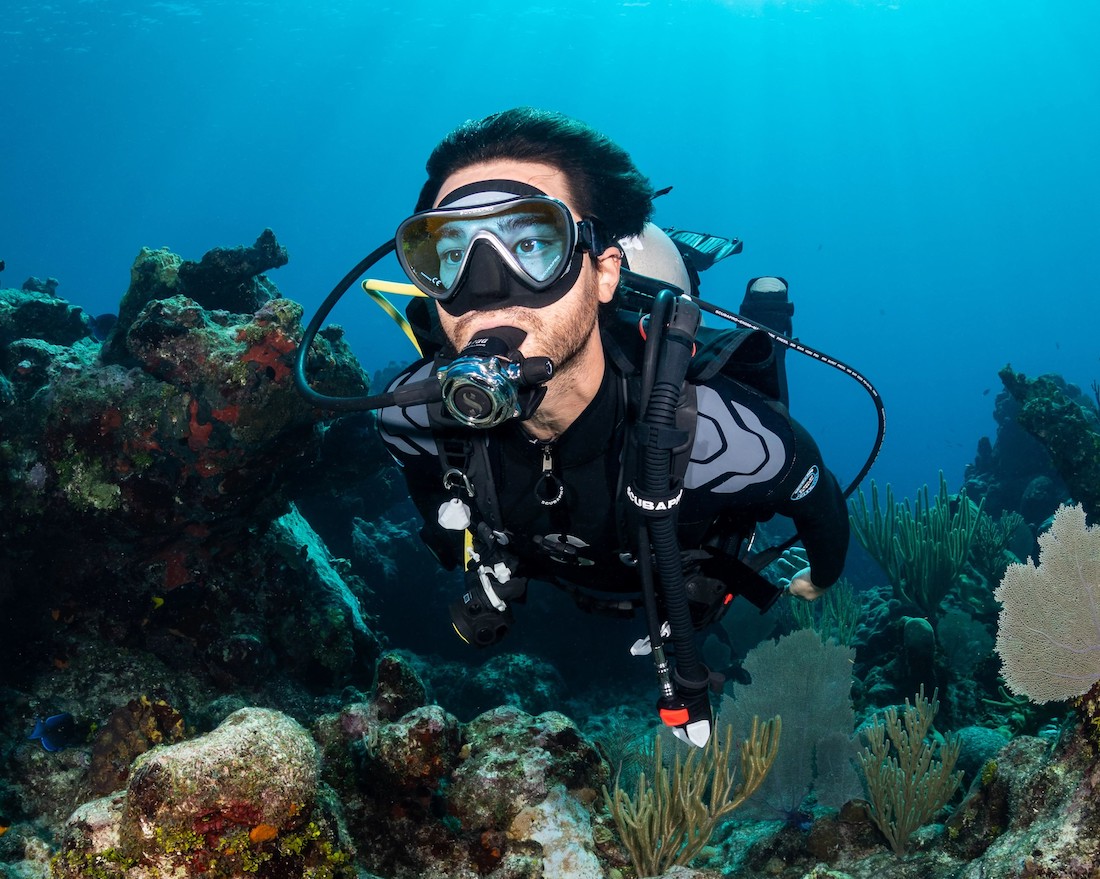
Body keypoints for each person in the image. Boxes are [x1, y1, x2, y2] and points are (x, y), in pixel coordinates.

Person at [375, 107, 849, 744]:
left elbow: (817, 500)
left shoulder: (720, 437)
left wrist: (819, 579)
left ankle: (741, 300)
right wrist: (454, 547)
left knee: (738, 343)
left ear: (601, 272)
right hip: (561, 563)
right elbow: (428, 492)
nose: (484, 290)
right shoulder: (412, 413)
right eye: (451, 252)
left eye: (532, 244)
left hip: (676, 573)